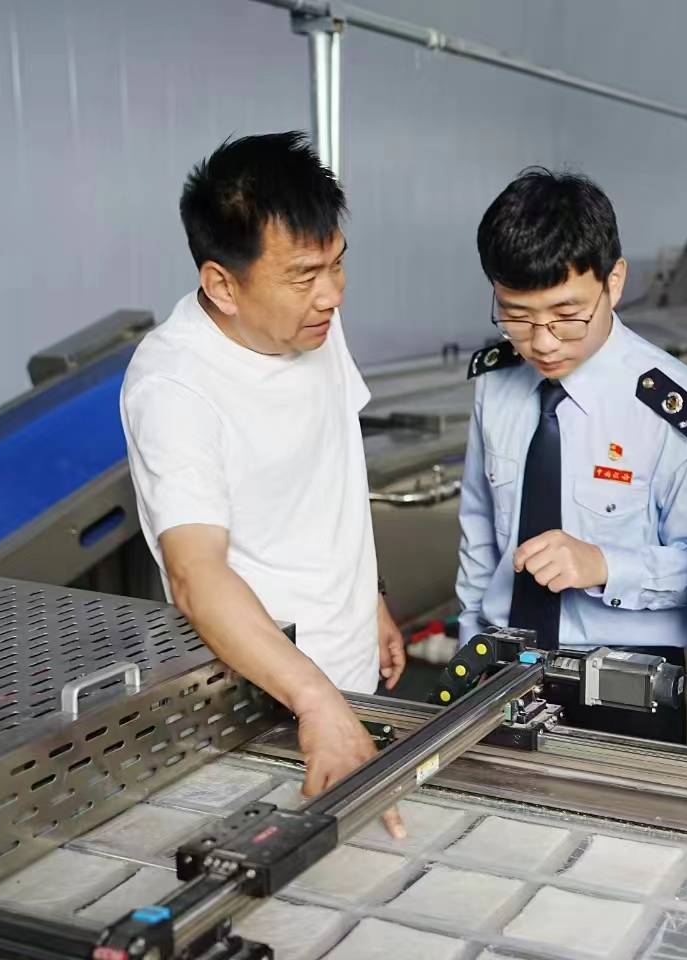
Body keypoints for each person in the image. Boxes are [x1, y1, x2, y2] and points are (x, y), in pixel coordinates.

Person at [120, 132, 404, 832]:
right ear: (223, 285)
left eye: (338, 264)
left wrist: (370, 599)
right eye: (304, 276)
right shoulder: (174, 386)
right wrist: (315, 699)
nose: (332, 295)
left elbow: (331, 465)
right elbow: (196, 574)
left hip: (349, 680)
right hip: (266, 707)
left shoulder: (312, 324)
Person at [455, 168, 687, 743]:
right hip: (500, 663)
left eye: (567, 315)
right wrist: (469, 646)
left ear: (614, 282)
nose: (543, 341)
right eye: (517, 316)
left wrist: (604, 565)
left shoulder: (675, 409)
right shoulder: (494, 385)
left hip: (628, 677)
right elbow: (478, 532)